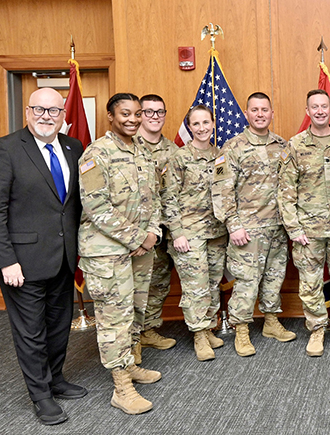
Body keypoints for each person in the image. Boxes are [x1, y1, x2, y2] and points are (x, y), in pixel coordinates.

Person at [0, 88, 85, 425]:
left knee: (59, 326)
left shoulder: (74, 148)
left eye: (54, 111)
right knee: (31, 332)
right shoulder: (4, 149)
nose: (47, 116)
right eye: (39, 109)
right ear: (28, 112)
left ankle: (55, 379)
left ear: (63, 115)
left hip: (63, 258)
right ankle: (41, 395)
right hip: (21, 263)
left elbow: (72, 207)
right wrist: (4, 260)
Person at [78, 93, 162, 415]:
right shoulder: (96, 153)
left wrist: (152, 233)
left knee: (135, 311)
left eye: (137, 113)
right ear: (111, 117)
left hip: (140, 248)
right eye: (125, 113)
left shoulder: (142, 150)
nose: (133, 119)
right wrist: (139, 237)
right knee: (115, 319)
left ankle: (131, 365)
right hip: (107, 252)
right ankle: (121, 388)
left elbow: (152, 197)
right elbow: (96, 207)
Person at [278, 89, 330, 357]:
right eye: (314, 107)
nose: (319, 111)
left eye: (324, 106)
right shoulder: (296, 145)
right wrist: (294, 228)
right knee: (311, 282)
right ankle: (316, 328)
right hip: (308, 231)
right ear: (307, 111)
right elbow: (285, 190)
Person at [212, 92, 295, 357]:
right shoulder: (233, 147)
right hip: (247, 228)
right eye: (255, 110)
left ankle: (270, 321)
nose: (260, 114)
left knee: (274, 277)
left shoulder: (282, 145)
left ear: (272, 113)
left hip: (277, 226)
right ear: (246, 114)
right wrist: (233, 225)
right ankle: (241, 329)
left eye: (264, 110)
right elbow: (222, 189)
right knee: (247, 281)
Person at [162, 105, 227, 361]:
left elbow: (224, 191)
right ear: (189, 127)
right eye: (196, 124)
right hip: (189, 233)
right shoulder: (180, 157)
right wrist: (177, 232)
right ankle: (199, 334)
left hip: (216, 232)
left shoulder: (220, 156)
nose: (202, 128)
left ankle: (209, 326)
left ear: (213, 124)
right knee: (195, 286)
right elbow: (168, 197)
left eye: (206, 123)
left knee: (211, 283)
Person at [135, 94, 178, 360]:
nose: (154, 117)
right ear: (139, 114)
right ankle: (131, 341)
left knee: (159, 282)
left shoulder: (173, 150)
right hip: (136, 232)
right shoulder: (129, 146)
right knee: (134, 286)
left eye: (159, 112)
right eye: (148, 112)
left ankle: (149, 330)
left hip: (164, 229)